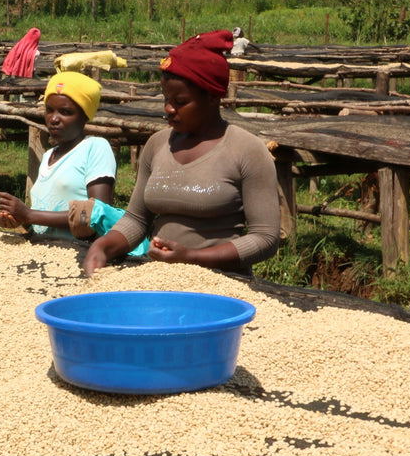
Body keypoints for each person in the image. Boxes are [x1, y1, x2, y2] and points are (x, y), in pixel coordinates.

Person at [83, 30, 280, 277]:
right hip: (159, 280)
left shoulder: (247, 151)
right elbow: (136, 220)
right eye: (166, 99)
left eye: (181, 101)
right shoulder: (157, 145)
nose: (169, 109)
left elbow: (265, 238)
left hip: (223, 286)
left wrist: (192, 258)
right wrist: (102, 247)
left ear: (212, 96)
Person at [0, 71, 149, 254]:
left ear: (84, 116)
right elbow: (44, 217)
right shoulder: (48, 156)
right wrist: (22, 220)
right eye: (49, 110)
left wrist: (29, 214)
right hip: (43, 252)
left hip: (79, 253)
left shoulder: (95, 147)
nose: (54, 119)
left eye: (65, 112)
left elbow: (96, 215)